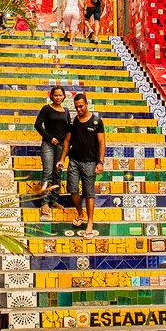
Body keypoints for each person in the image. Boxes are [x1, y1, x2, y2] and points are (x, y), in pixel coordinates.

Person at [60, 93, 105, 238]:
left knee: (89, 193)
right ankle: (80, 214)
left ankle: (90, 222)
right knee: (72, 189)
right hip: (74, 161)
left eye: (81, 106)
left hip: (90, 162)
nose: (78, 109)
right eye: (76, 107)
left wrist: (100, 162)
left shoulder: (96, 122)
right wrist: (62, 159)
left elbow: (101, 143)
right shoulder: (73, 123)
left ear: (86, 104)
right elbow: (67, 141)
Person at [33, 87, 70, 220]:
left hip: (61, 146)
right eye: (56, 95)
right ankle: (44, 203)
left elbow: (68, 129)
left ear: (64, 96)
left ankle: (54, 200)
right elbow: (37, 125)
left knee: (57, 173)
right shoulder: (46, 109)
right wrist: (49, 138)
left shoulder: (66, 111)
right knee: (47, 172)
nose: (58, 97)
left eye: (60, 95)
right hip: (48, 145)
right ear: (51, 96)